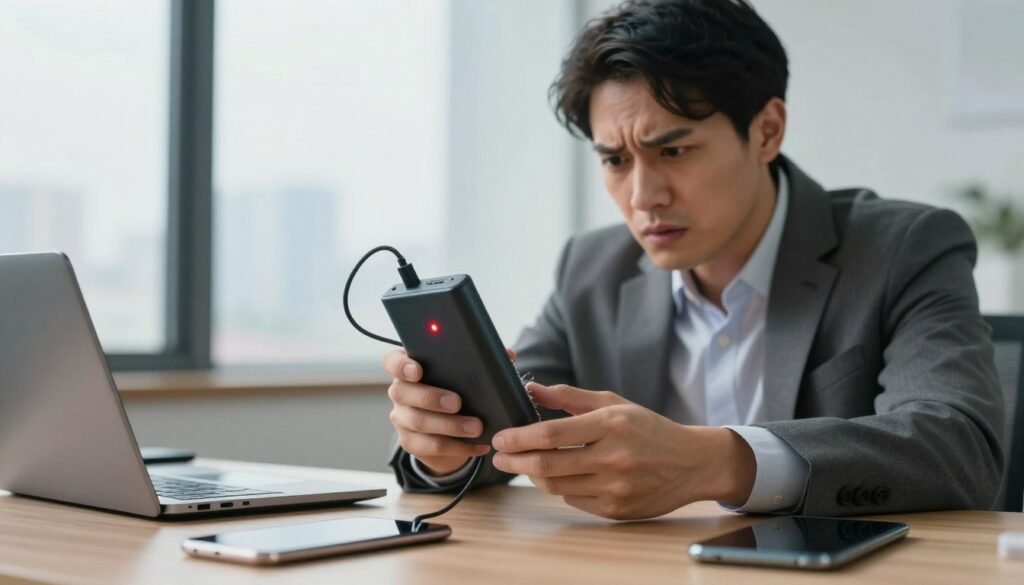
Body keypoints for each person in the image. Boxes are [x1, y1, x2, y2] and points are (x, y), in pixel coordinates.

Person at [382, 0, 1004, 520]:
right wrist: (449, 449)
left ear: (766, 131)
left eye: (673, 150)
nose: (642, 196)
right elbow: (517, 420)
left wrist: (716, 461)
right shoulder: (592, 269)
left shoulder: (904, 246)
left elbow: (959, 446)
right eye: (615, 161)